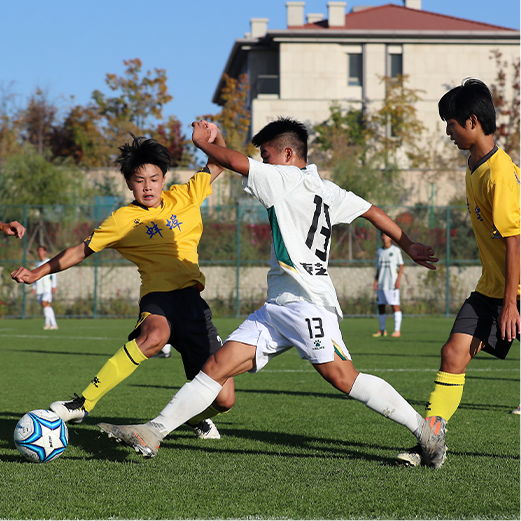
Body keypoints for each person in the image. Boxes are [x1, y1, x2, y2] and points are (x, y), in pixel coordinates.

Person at [96, 117, 446, 468]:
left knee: (343, 377)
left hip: (307, 304)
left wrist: (202, 143)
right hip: (278, 307)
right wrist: (408, 244)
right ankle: (154, 432)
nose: (261, 163)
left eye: (266, 155)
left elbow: (235, 162)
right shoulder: (326, 188)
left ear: (288, 154)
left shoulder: (284, 178)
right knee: (217, 365)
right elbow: (372, 211)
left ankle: (425, 432)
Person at [11, 126, 235, 440]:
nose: (148, 186)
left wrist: (215, 134)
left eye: (154, 178)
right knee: (155, 336)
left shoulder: (185, 195)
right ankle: (83, 403)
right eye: (139, 180)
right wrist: (38, 272)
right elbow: (80, 250)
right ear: (129, 183)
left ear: (164, 179)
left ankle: (191, 416)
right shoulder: (122, 220)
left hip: (194, 305)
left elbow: (221, 161)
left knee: (225, 400)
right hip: (159, 297)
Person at [395, 78, 521, 467]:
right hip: (493, 288)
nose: (447, 132)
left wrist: (510, 304)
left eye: (450, 124)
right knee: (453, 353)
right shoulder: (474, 165)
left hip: (515, 291)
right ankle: (430, 444)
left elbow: (515, 241)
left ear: (471, 121)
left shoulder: (499, 173)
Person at [372, 233, 404, 338]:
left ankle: (397, 330)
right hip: (381, 283)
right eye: (383, 236)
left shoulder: (395, 250)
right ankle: (382, 330)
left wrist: (398, 280)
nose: (384, 237)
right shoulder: (379, 251)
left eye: (386, 235)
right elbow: (378, 268)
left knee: (394, 305)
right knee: (381, 306)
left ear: (391, 237)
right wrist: (376, 281)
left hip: (392, 284)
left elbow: (401, 266)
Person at [33, 245, 58, 330]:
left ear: (45, 252)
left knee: (44, 303)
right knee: (46, 305)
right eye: (38, 250)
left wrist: (54, 286)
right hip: (40, 288)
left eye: (41, 250)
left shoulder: (48, 262)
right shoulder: (38, 263)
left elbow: (53, 274)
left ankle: (48, 323)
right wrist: (34, 287)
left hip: (47, 287)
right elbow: (35, 275)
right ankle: (53, 324)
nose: (39, 252)